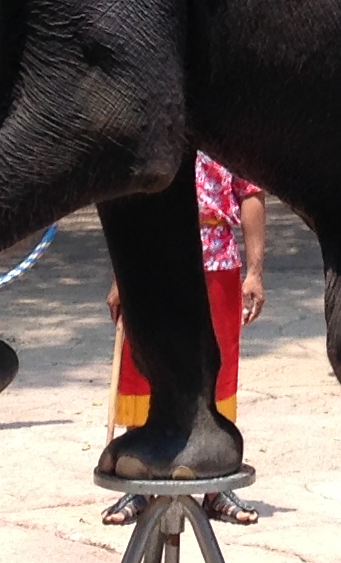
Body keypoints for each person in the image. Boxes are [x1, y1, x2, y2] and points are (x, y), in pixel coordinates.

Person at [107, 151, 267, 523]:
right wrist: (121, 275)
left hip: (216, 259)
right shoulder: (154, 137)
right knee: (144, 359)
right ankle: (138, 482)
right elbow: (126, 201)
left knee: (216, 366)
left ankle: (217, 485)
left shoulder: (228, 138)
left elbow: (250, 192)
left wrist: (255, 273)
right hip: (151, 257)